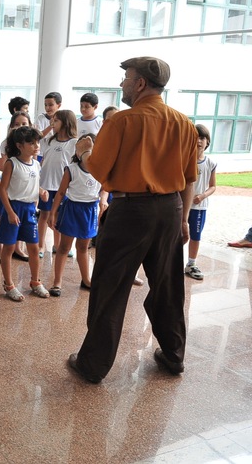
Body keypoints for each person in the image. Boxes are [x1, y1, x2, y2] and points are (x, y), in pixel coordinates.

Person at [69, 56, 199, 383]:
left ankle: (93, 365)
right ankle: (174, 356)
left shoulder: (122, 121)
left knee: (110, 288)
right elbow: (189, 179)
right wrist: (183, 219)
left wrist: (84, 150)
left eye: (126, 78)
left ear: (140, 83)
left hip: (130, 211)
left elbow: (98, 169)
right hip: (170, 210)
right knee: (168, 286)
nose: (122, 84)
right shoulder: (184, 123)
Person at [0, 125, 48, 301]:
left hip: (29, 210)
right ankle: (9, 284)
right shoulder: (12, 163)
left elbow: (33, 184)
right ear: (19, 145)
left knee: (34, 247)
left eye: (37, 142)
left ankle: (35, 281)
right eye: (31, 143)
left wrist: (41, 192)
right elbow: (3, 190)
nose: (36, 146)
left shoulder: (36, 164)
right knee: (9, 247)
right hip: (13, 207)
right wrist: (10, 212)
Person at [48, 134, 101, 296]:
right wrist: (53, 213)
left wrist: (104, 200)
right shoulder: (71, 169)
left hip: (90, 210)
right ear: (78, 152)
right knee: (64, 247)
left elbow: (105, 188)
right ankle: (57, 282)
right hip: (72, 209)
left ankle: (86, 279)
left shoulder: (100, 169)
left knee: (83, 247)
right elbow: (61, 192)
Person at [37, 109, 77, 259]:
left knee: (59, 216)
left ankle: (57, 245)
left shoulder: (73, 143)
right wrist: (50, 126)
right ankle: (41, 245)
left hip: (62, 187)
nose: (52, 123)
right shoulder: (49, 140)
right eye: (52, 120)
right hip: (46, 184)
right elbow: (37, 137)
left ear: (66, 123)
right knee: (44, 215)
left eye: (56, 120)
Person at [184, 124, 217, 280]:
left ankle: (191, 263)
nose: (199, 141)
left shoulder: (211, 163)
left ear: (207, 141)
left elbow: (213, 186)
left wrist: (202, 196)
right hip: (182, 206)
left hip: (199, 207)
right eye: (196, 137)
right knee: (177, 235)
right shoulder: (184, 160)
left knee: (195, 236)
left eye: (202, 138)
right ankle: (171, 261)